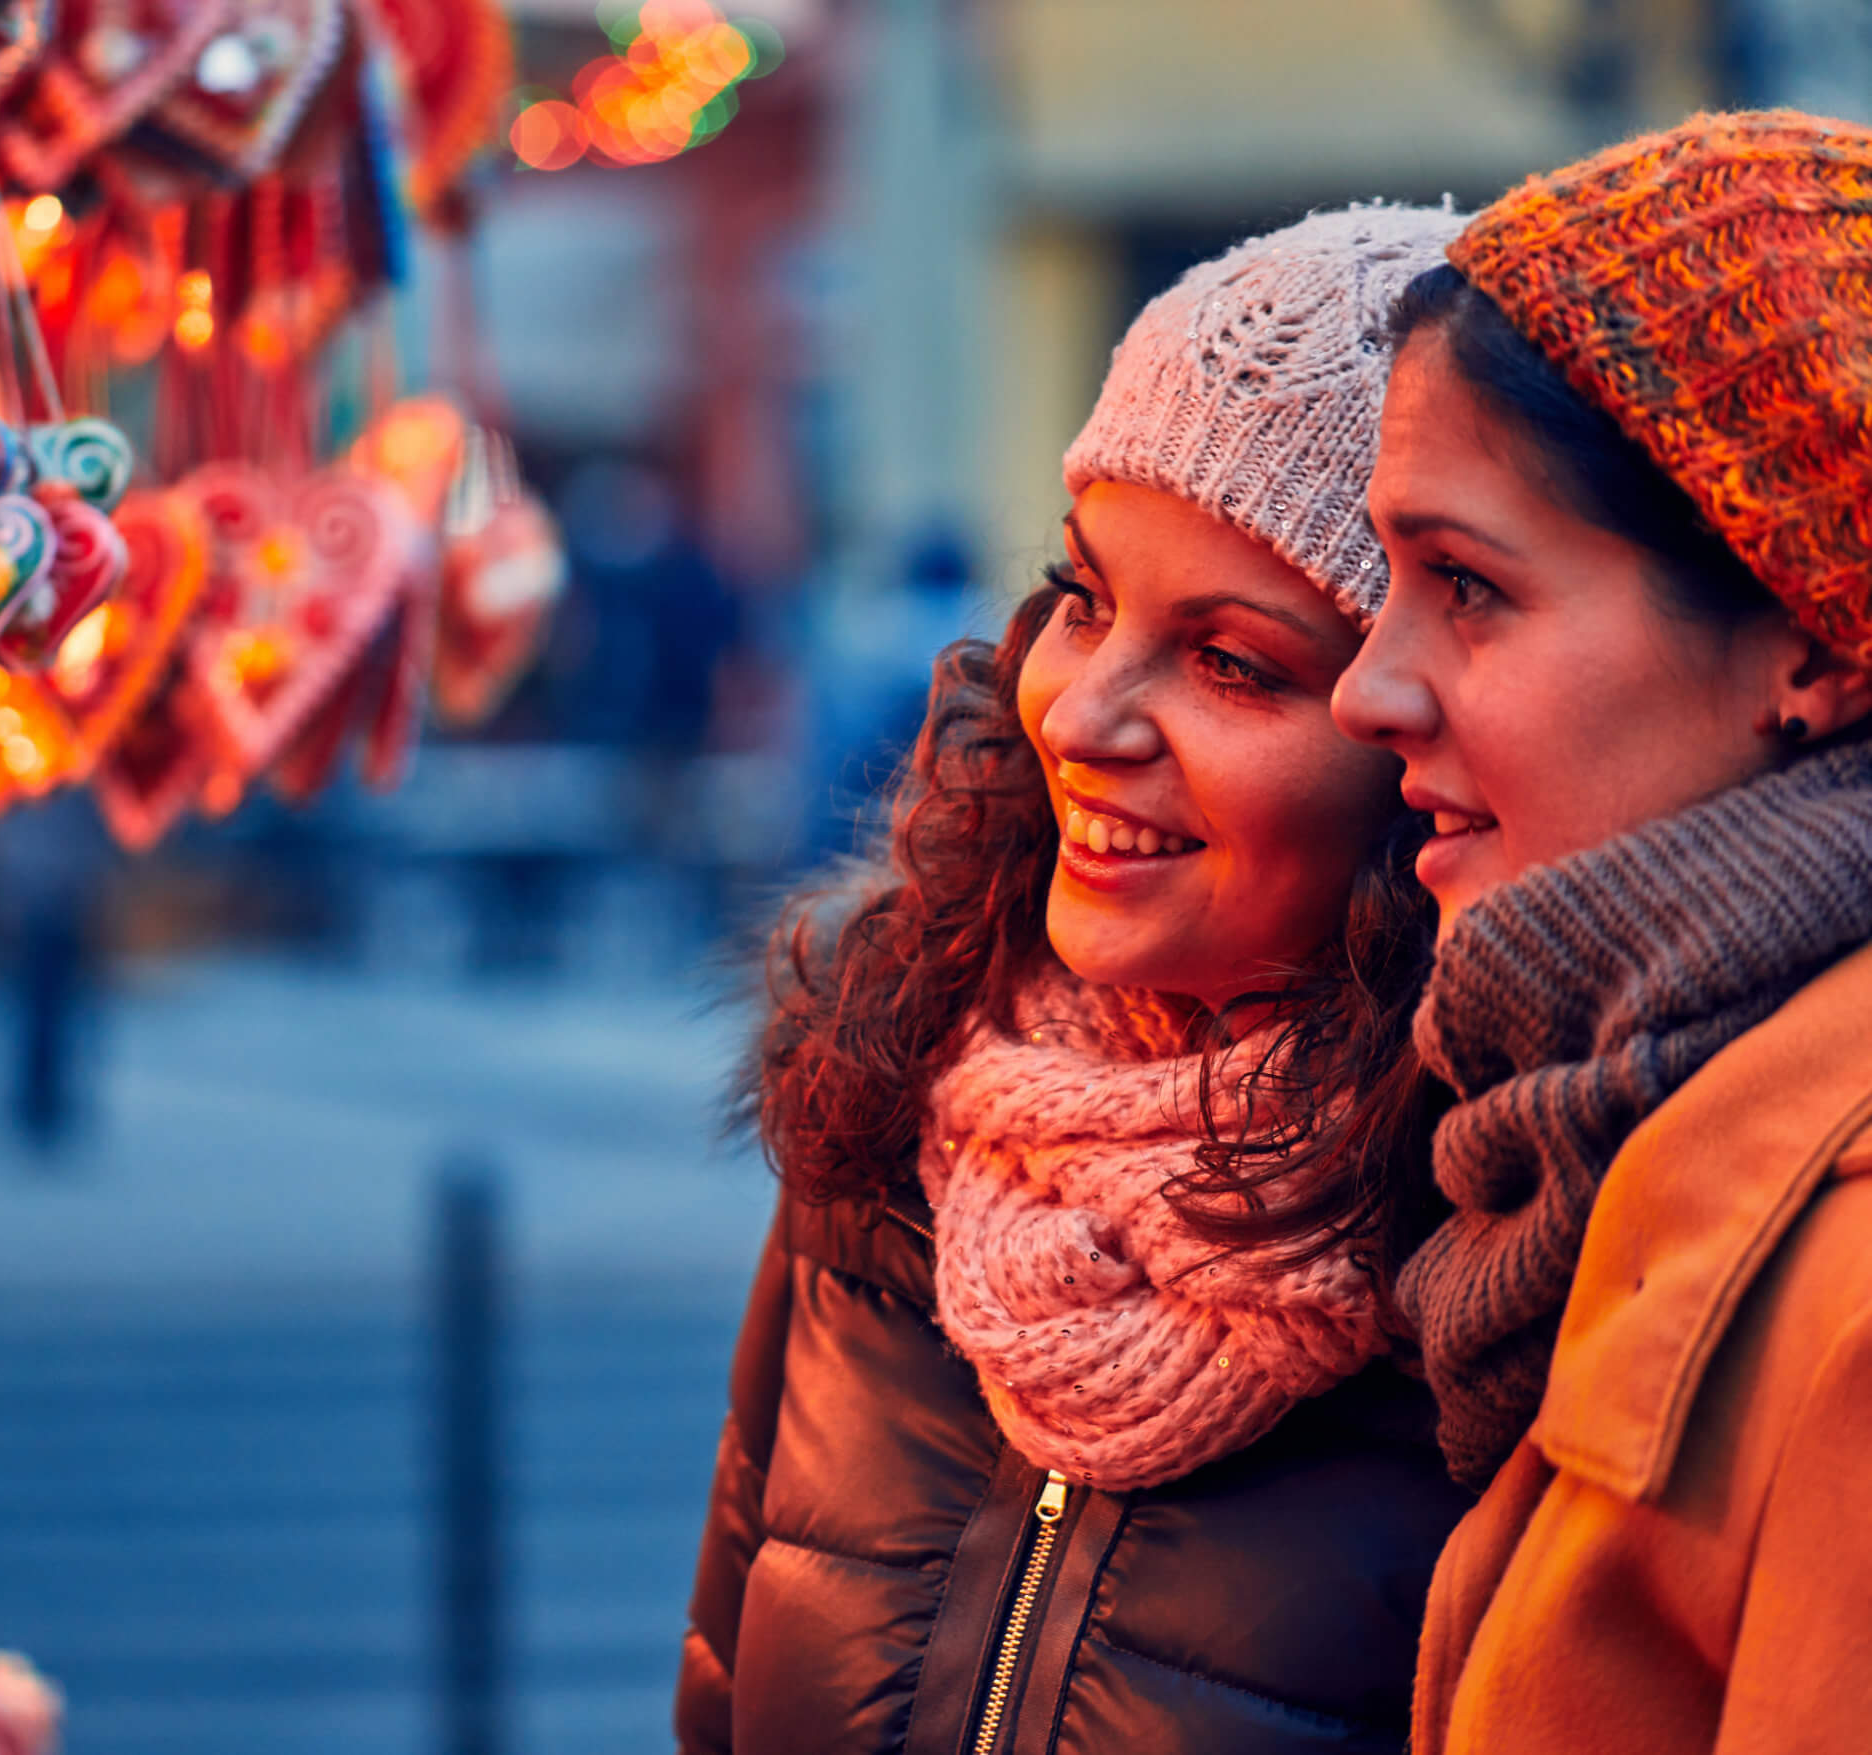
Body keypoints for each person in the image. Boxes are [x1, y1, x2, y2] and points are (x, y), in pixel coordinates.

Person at [675, 205, 1474, 1755]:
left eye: (1234, 662)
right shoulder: (891, 1091)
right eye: (1085, 597)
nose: (1083, 714)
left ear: (1424, 747)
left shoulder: (1508, 1249)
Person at [1330, 108, 1872, 1755]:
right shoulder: (1603, 1135)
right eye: (1382, 580)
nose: (1368, 686)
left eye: (1468, 587)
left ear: (1807, 646)